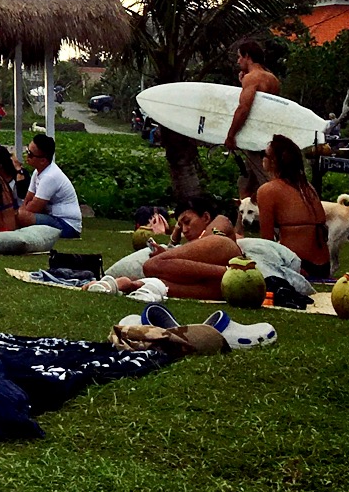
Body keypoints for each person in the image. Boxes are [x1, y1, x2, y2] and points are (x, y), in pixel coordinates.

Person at [112, 201, 242, 298]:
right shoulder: (196, 255)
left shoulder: (219, 221)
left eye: (187, 222)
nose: (184, 230)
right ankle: (136, 285)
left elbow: (213, 237)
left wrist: (171, 249)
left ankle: (236, 272)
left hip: (227, 255)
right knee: (154, 282)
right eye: (180, 226)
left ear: (206, 217)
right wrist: (173, 243)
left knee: (152, 266)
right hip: (220, 287)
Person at [256, 134, 331, 281]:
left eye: (264, 154)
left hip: (298, 266)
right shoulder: (308, 187)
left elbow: (267, 242)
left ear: (275, 161)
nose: (262, 158)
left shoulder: (267, 190)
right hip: (323, 265)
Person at [224, 37, 281, 192]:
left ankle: (275, 211)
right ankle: (243, 215)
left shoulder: (252, 78)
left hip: (256, 138)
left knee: (266, 183)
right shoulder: (272, 78)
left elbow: (244, 107)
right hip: (269, 133)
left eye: (239, 56)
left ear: (247, 56)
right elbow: (262, 106)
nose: (238, 61)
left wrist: (231, 135)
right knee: (246, 183)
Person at [14, 133, 82, 237]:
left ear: (43, 160)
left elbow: (34, 207)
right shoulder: (38, 173)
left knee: (22, 216)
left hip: (67, 224)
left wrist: (19, 214)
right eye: (27, 151)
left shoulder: (50, 176)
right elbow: (28, 199)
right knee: (19, 214)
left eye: (30, 154)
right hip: (52, 217)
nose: (27, 156)